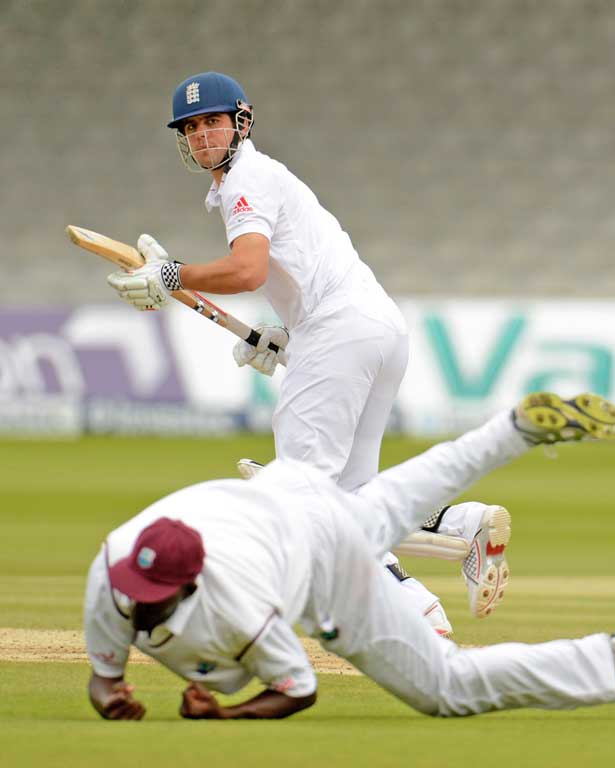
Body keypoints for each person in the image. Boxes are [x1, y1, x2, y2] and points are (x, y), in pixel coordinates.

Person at [104, 72, 497, 635]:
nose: (202, 136)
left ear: (242, 121)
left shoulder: (247, 179)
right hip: (373, 327)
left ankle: (416, 615)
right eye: (190, 128)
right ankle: (466, 524)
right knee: (352, 493)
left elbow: (247, 270)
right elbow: (299, 273)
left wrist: (172, 274)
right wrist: (286, 333)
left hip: (341, 331)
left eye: (212, 121)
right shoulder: (260, 179)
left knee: (305, 502)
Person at [84, 392, 615, 721]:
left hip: (323, 561)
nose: (132, 605)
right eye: (132, 592)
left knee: (446, 687)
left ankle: (612, 660)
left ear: (190, 587)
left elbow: (297, 688)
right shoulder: (110, 571)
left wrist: (225, 715)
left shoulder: (237, 608)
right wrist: (112, 696)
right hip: (288, 491)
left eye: (152, 600)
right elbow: (104, 680)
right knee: (405, 493)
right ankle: (514, 430)